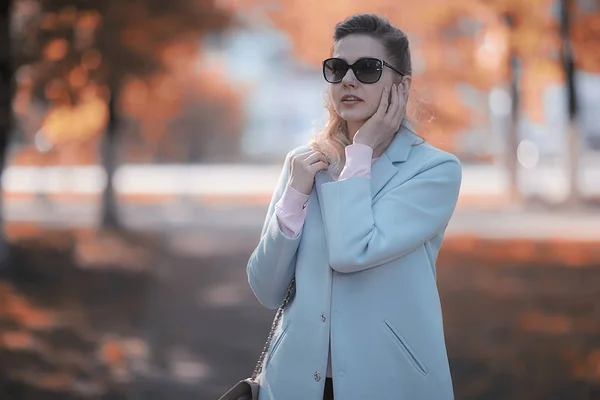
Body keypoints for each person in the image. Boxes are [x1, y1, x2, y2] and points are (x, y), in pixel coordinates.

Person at [247, 12, 461, 400]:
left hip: (389, 382)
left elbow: (351, 252)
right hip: (294, 385)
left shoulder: (434, 170)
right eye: (337, 68)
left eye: (367, 68)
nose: (348, 79)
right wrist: (295, 195)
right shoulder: (304, 164)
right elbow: (265, 287)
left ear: (401, 85)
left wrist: (360, 153)